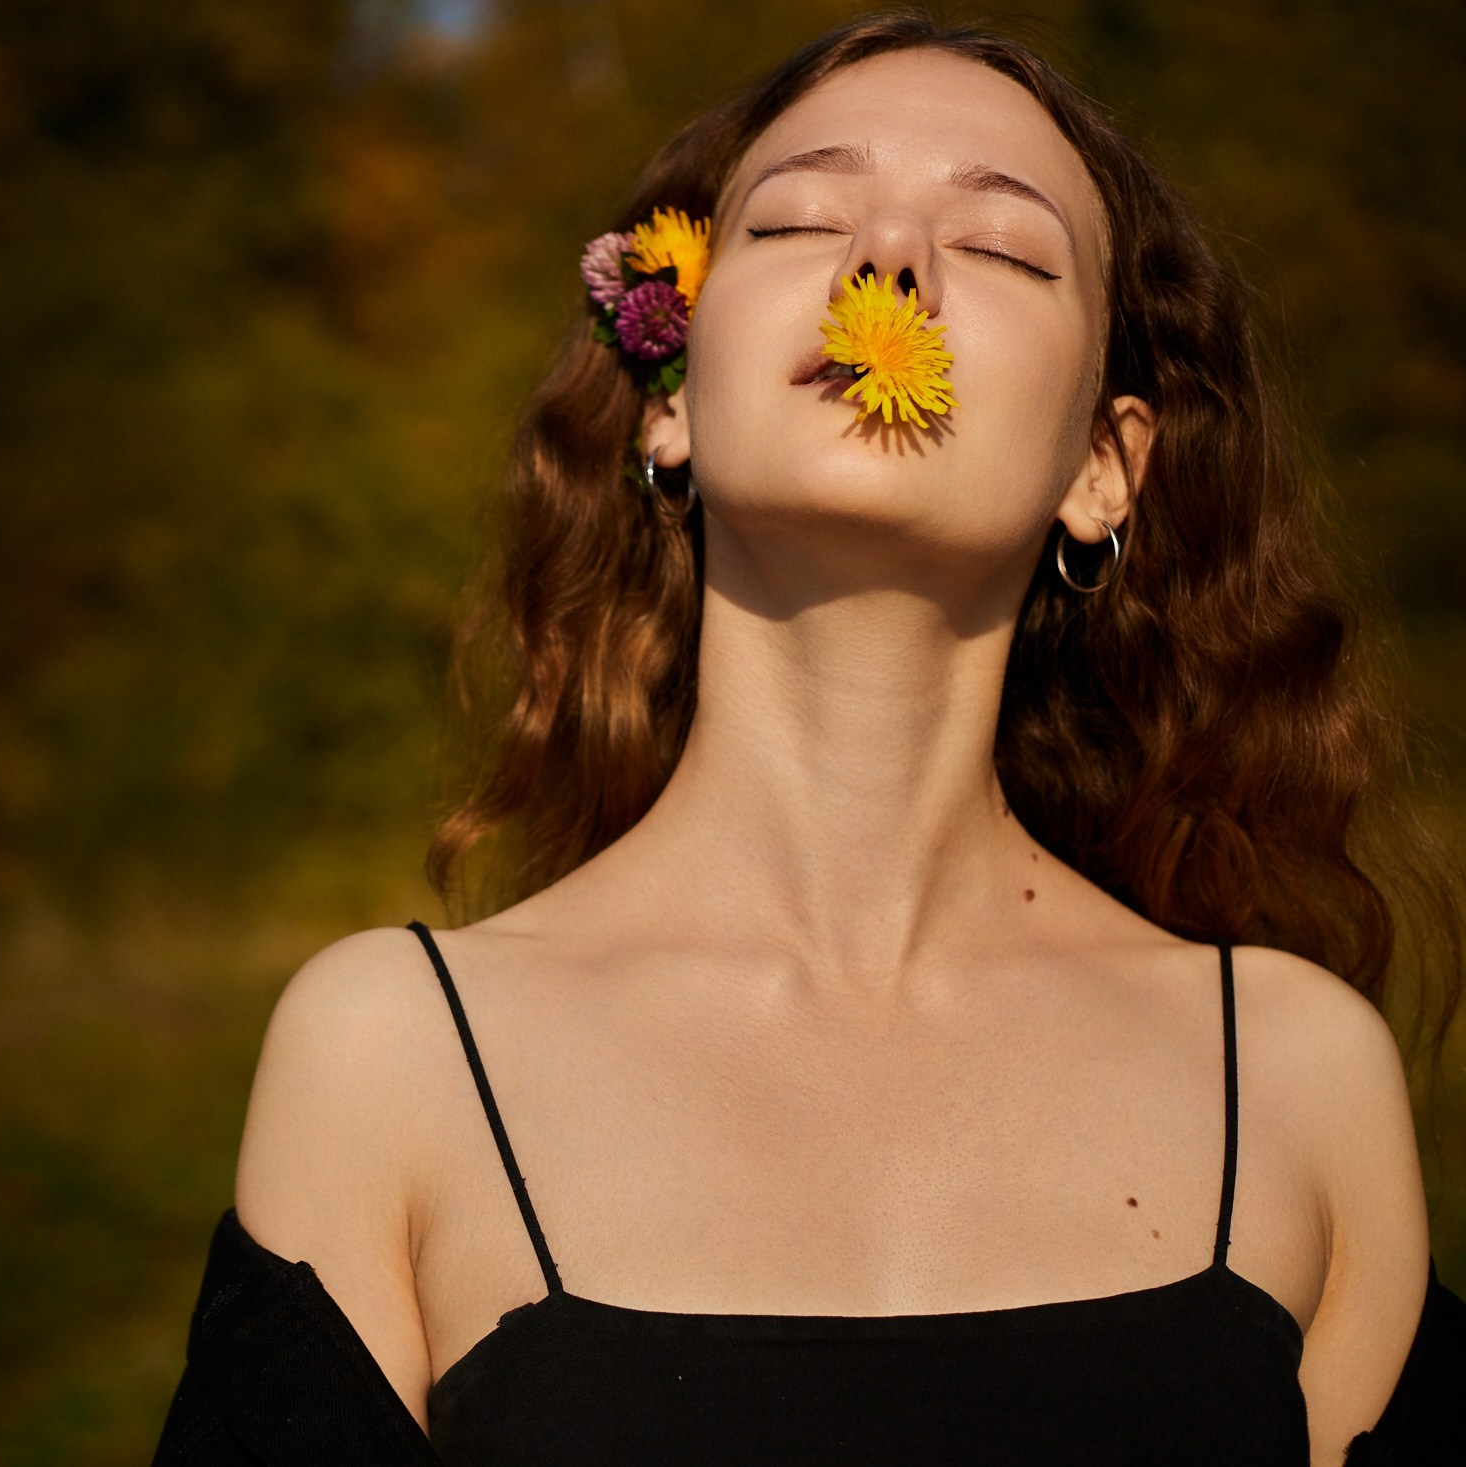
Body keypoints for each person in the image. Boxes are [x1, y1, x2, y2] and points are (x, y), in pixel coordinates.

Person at [154, 10, 1464, 1465]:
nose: (887, 266)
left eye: (1005, 247)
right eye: (798, 221)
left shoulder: (1293, 1081)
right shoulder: (392, 1057)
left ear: (1107, 465)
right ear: (671, 408)